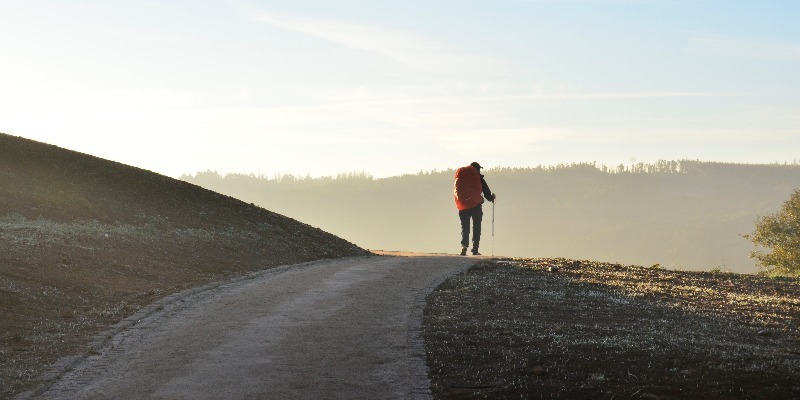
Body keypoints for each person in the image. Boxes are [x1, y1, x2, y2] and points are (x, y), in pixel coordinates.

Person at [454, 162, 496, 256]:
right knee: (476, 228)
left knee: (465, 227)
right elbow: (487, 193)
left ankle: (464, 247)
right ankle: (475, 249)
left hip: (463, 206)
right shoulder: (478, 178)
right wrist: (492, 198)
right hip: (476, 206)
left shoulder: (461, 177)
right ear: (477, 169)